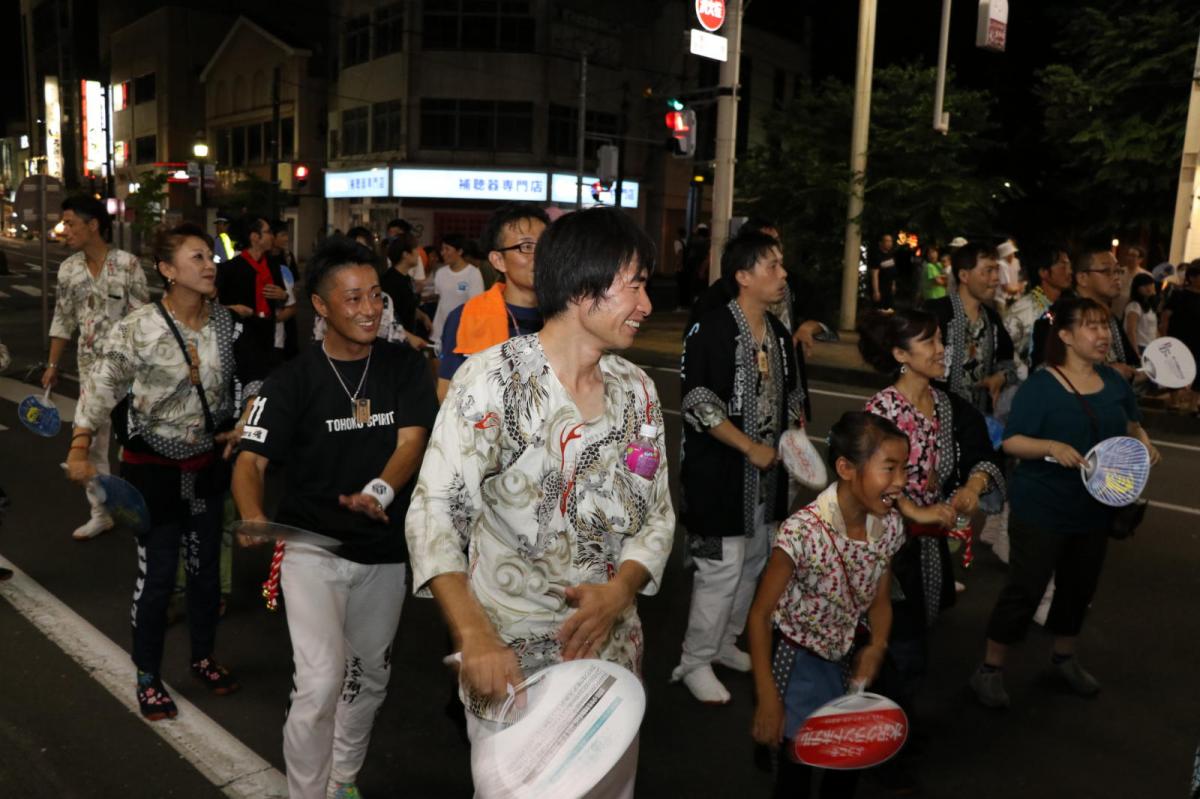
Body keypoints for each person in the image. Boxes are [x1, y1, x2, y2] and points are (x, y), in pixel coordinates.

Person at [405, 207, 675, 798]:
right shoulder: (491, 381)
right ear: (581, 289)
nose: (646, 304)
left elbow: (655, 514)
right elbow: (434, 512)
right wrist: (473, 634)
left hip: (612, 661)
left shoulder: (638, 391)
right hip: (512, 666)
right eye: (634, 286)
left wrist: (621, 591)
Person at [232, 237, 437, 799]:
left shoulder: (403, 365)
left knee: (369, 677)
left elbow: (412, 442)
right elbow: (250, 461)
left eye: (375, 295)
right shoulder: (291, 380)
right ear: (321, 306)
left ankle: (343, 778)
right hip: (310, 548)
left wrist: (379, 492)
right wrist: (252, 514)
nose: (370, 309)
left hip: (383, 551)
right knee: (320, 682)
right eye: (353, 298)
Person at [65, 223, 241, 720]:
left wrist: (243, 421)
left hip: (206, 467)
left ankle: (203, 657)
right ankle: (147, 674)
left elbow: (247, 381)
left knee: (205, 573)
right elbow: (99, 388)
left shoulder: (225, 323)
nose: (209, 265)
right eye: (196, 257)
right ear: (167, 270)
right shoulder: (138, 327)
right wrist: (80, 447)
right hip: (152, 471)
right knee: (158, 576)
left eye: (210, 256)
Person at [969, 296, 1160, 709]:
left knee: (1078, 587)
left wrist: (1144, 443)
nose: (1103, 334)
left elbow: (1132, 423)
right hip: (1042, 507)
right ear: (1067, 336)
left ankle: (1063, 658)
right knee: (1026, 589)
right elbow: (1012, 441)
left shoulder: (1113, 382)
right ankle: (989, 668)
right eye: (1091, 326)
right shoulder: (1042, 386)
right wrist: (1051, 446)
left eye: (1105, 325)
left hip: (1095, 508)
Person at [673, 231, 806, 704]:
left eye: (781, 264)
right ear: (743, 276)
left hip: (765, 480)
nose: (783, 275)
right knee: (719, 570)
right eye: (772, 266)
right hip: (719, 478)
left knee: (752, 563)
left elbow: (793, 397)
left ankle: (724, 643)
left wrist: (795, 438)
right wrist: (750, 447)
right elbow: (698, 402)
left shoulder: (779, 336)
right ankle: (694, 660)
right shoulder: (711, 330)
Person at [747, 411, 908, 799]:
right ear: (846, 468)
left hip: (849, 663)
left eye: (904, 468)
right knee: (797, 767)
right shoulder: (802, 533)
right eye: (890, 468)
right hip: (800, 664)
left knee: (847, 762)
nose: (901, 481)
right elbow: (760, 616)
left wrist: (877, 645)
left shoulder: (889, 527)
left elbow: (880, 601)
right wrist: (767, 696)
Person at [858, 309, 1004, 719]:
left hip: (927, 549)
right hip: (887, 550)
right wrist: (914, 511)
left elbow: (981, 453)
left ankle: (892, 720)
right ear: (900, 354)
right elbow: (868, 480)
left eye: (941, 339)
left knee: (916, 637)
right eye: (930, 342)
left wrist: (972, 487)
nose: (942, 350)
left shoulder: (947, 405)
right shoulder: (883, 410)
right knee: (897, 645)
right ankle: (880, 725)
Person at [44, 195, 150, 540]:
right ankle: (101, 512)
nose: (65, 229)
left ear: (93, 225)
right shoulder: (68, 269)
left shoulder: (128, 265)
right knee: (91, 444)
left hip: (131, 373)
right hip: (90, 372)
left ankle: (142, 506)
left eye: (71, 223)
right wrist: (52, 364)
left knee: (136, 443)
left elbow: (145, 321)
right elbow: (63, 318)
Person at [437, 203, 548, 400]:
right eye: (527, 247)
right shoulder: (466, 318)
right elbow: (447, 394)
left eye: (546, 245)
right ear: (498, 260)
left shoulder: (568, 315)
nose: (540, 256)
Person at [925, 243, 1017, 415]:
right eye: (988, 271)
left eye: (996, 270)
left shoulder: (993, 319)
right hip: (934, 417)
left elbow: (1008, 362)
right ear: (964, 276)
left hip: (979, 421)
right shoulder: (935, 313)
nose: (996, 278)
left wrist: (1001, 376)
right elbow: (908, 363)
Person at [1030, 246, 1141, 379]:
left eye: (1118, 270)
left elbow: (1132, 363)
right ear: (1082, 278)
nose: (1116, 277)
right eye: (1106, 271)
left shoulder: (1110, 317)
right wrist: (1105, 372)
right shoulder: (1059, 315)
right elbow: (1044, 369)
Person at [217, 215, 287, 396]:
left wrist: (282, 295)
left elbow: (283, 298)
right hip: (241, 336)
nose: (272, 236)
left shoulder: (274, 265)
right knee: (243, 385)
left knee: (267, 386)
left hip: (268, 335)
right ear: (255, 237)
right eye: (268, 232)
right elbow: (217, 306)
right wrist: (234, 309)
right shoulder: (230, 268)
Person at [1004, 245, 1073, 373]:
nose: (1069, 271)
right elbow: (1007, 351)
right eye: (1063, 266)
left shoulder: (1069, 305)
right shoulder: (1022, 310)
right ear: (1043, 272)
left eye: (1069, 265)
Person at [429, 233, 484, 351]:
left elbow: (476, 305)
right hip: (440, 331)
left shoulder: (473, 273)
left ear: (459, 251)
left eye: (447, 249)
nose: (443, 253)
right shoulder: (440, 273)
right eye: (442, 249)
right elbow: (440, 298)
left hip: (462, 333)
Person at [1159, 260, 1200, 413]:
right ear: (1193, 277)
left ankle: (1193, 403)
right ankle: (1174, 401)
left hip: (1198, 340)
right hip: (1179, 338)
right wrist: (1164, 335)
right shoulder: (1179, 294)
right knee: (1175, 368)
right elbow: (1166, 315)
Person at [268, 219, 300, 361]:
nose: (286, 238)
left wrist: (290, 301)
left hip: (288, 313)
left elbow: (295, 283)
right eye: (282, 235)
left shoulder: (287, 257)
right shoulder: (264, 258)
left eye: (287, 235)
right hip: (272, 316)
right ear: (272, 236)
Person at [1124, 272, 1159, 356]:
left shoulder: (1150, 306)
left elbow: (1154, 329)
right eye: (1144, 285)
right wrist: (1135, 351)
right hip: (1141, 347)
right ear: (1137, 288)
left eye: (1150, 284)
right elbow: (1131, 330)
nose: (1148, 287)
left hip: (1151, 346)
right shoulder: (1135, 305)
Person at [869, 233, 899, 309]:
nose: (889, 243)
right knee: (879, 310)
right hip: (880, 288)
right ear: (881, 243)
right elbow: (874, 274)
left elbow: (893, 271)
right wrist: (876, 291)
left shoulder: (891, 255)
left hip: (889, 288)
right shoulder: (876, 256)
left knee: (889, 310)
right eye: (887, 241)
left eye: (891, 241)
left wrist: (893, 284)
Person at [995, 239, 1023, 310]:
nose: (1013, 255)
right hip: (1002, 299)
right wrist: (1020, 288)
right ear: (1006, 255)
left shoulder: (1015, 262)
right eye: (1011, 253)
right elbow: (1006, 288)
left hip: (1011, 298)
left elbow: (1017, 278)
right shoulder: (1002, 265)